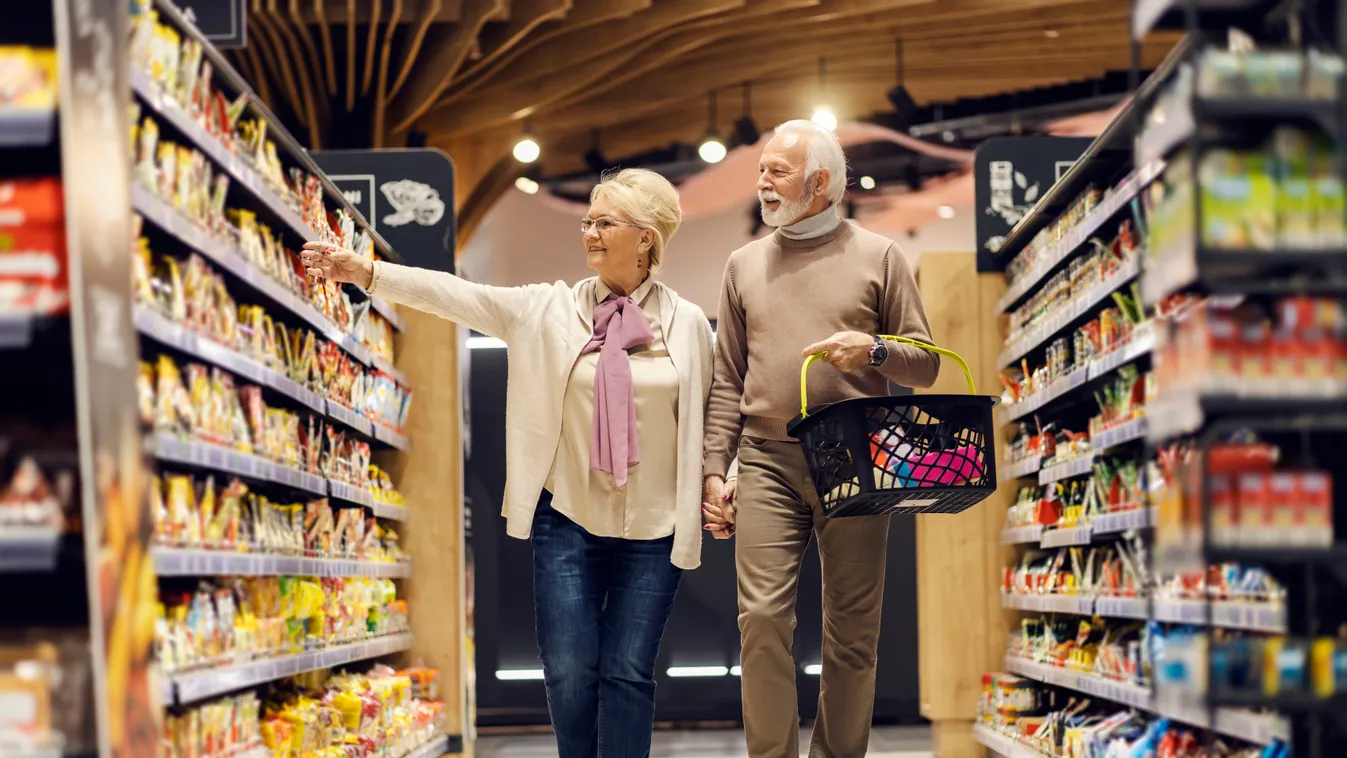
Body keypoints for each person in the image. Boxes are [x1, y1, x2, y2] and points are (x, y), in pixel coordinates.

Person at [301, 168, 715, 758]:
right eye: (587, 221)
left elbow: (711, 415)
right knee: (570, 670)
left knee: (627, 670)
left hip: (655, 523)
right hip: (568, 517)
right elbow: (457, 295)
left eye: (605, 223)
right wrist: (366, 272)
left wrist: (717, 484)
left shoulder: (689, 325)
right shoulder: (546, 310)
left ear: (647, 237)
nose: (590, 234)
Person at [700, 121, 940, 758]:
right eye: (763, 171)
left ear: (821, 182)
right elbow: (727, 375)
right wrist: (713, 471)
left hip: (857, 457)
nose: (762, 184)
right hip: (765, 458)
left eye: (778, 171)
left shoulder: (879, 256)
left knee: (853, 633)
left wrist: (878, 350)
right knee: (761, 623)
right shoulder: (742, 264)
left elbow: (926, 364)